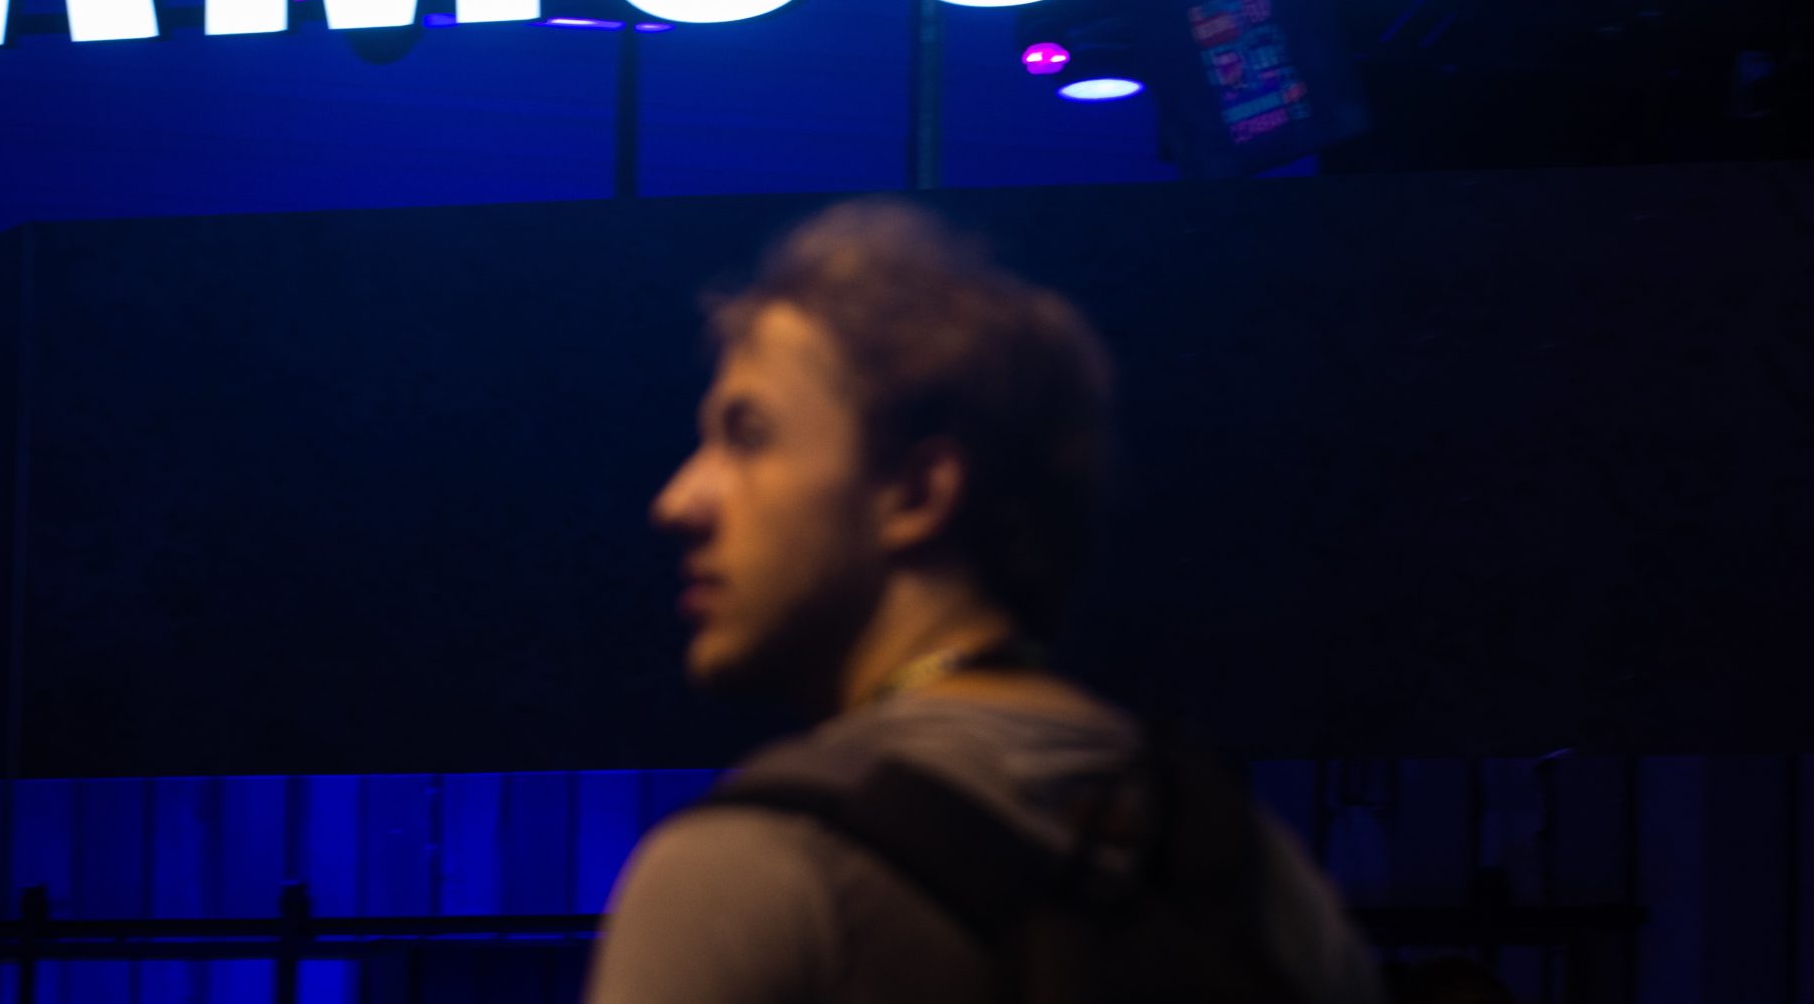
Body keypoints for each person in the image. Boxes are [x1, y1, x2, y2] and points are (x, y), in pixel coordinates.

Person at [585, 198, 1381, 1004]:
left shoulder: (745, 875)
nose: (678, 499)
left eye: (748, 435)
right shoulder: (1267, 884)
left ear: (917, 489)